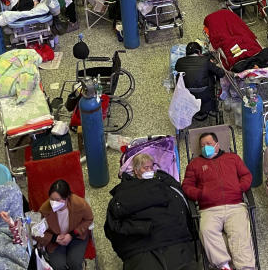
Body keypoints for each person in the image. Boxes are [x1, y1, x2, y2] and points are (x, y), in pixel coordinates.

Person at [105, 153, 198, 270]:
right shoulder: (126, 189)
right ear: (136, 171)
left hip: (171, 236)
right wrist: (140, 227)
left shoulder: (164, 181)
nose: (150, 170)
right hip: (142, 243)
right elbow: (116, 214)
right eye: (145, 168)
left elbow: (179, 201)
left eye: (151, 167)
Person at [182, 132, 255, 270]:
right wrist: (201, 194)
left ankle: (245, 267)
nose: (205, 148)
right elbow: (186, 186)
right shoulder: (195, 164)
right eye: (202, 145)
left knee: (239, 234)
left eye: (208, 144)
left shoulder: (232, 158)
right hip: (209, 208)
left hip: (235, 205)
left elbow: (246, 175)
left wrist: (238, 188)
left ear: (217, 145)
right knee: (206, 231)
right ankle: (223, 265)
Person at [36, 179, 94, 270]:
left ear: (67, 197)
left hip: (76, 238)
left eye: (57, 200)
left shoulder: (79, 204)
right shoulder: (44, 210)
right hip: (55, 241)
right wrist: (54, 238)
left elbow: (89, 219)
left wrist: (72, 235)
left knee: (74, 263)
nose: (53, 203)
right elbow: (37, 232)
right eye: (51, 199)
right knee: (58, 266)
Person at [175, 42, 225, 121]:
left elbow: (178, 71)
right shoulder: (205, 61)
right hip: (206, 94)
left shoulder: (179, 62)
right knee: (209, 73)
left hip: (187, 95)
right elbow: (221, 73)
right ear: (199, 52)